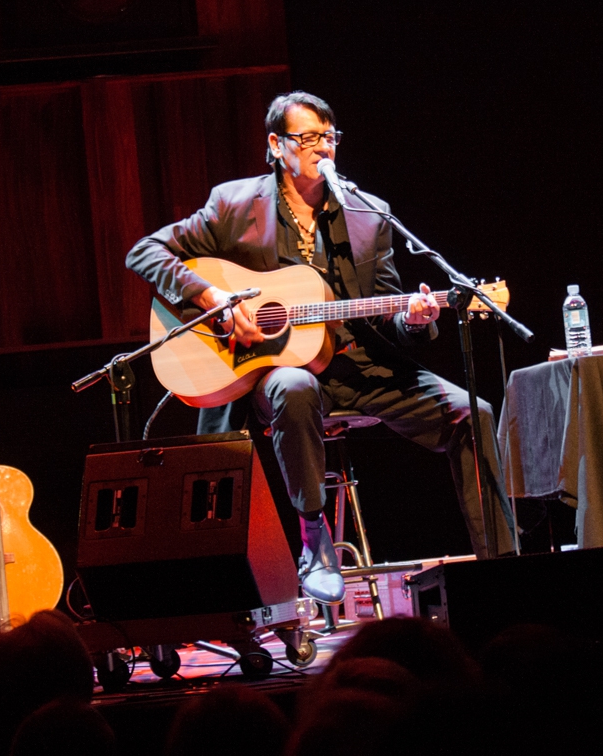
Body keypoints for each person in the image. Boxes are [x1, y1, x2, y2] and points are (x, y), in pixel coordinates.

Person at [126, 91, 515, 604]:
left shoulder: (369, 215)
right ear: (276, 144)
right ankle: (314, 536)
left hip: (362, 370)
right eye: (308, 138)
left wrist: (416, 320)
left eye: (328, 137)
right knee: (294, 383)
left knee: (475, 414)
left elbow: (387, 316)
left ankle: (505, 571)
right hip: (276, 378)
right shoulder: (235, 205)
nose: (322, 148)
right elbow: (144, 251)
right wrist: (214, 296)